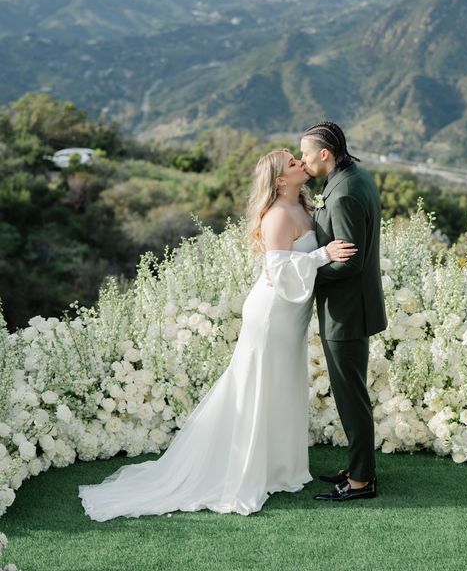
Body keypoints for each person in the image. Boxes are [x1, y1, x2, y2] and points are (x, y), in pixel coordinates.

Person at [78, 149, 356, 519]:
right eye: (292, 162)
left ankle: (279, 467)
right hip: (272, 315)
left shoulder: (304, 208)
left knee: (283, 385)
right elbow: (279, 273)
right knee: (257, 386)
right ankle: (244, 469)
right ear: (279, 180)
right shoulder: (276, 216)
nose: (299, 163)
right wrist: (323, 255)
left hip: (292, 318)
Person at [299, 121, 387, 502]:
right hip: (350, 307)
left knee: (351, 397)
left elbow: (350, 262)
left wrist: (305, 276)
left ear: (324, 154)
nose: (301, 161)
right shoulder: (350, 178)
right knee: (351, 393)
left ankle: (361, 481)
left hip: (347, 312)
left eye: (304, 154)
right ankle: (357, 467)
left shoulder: (345, 193)